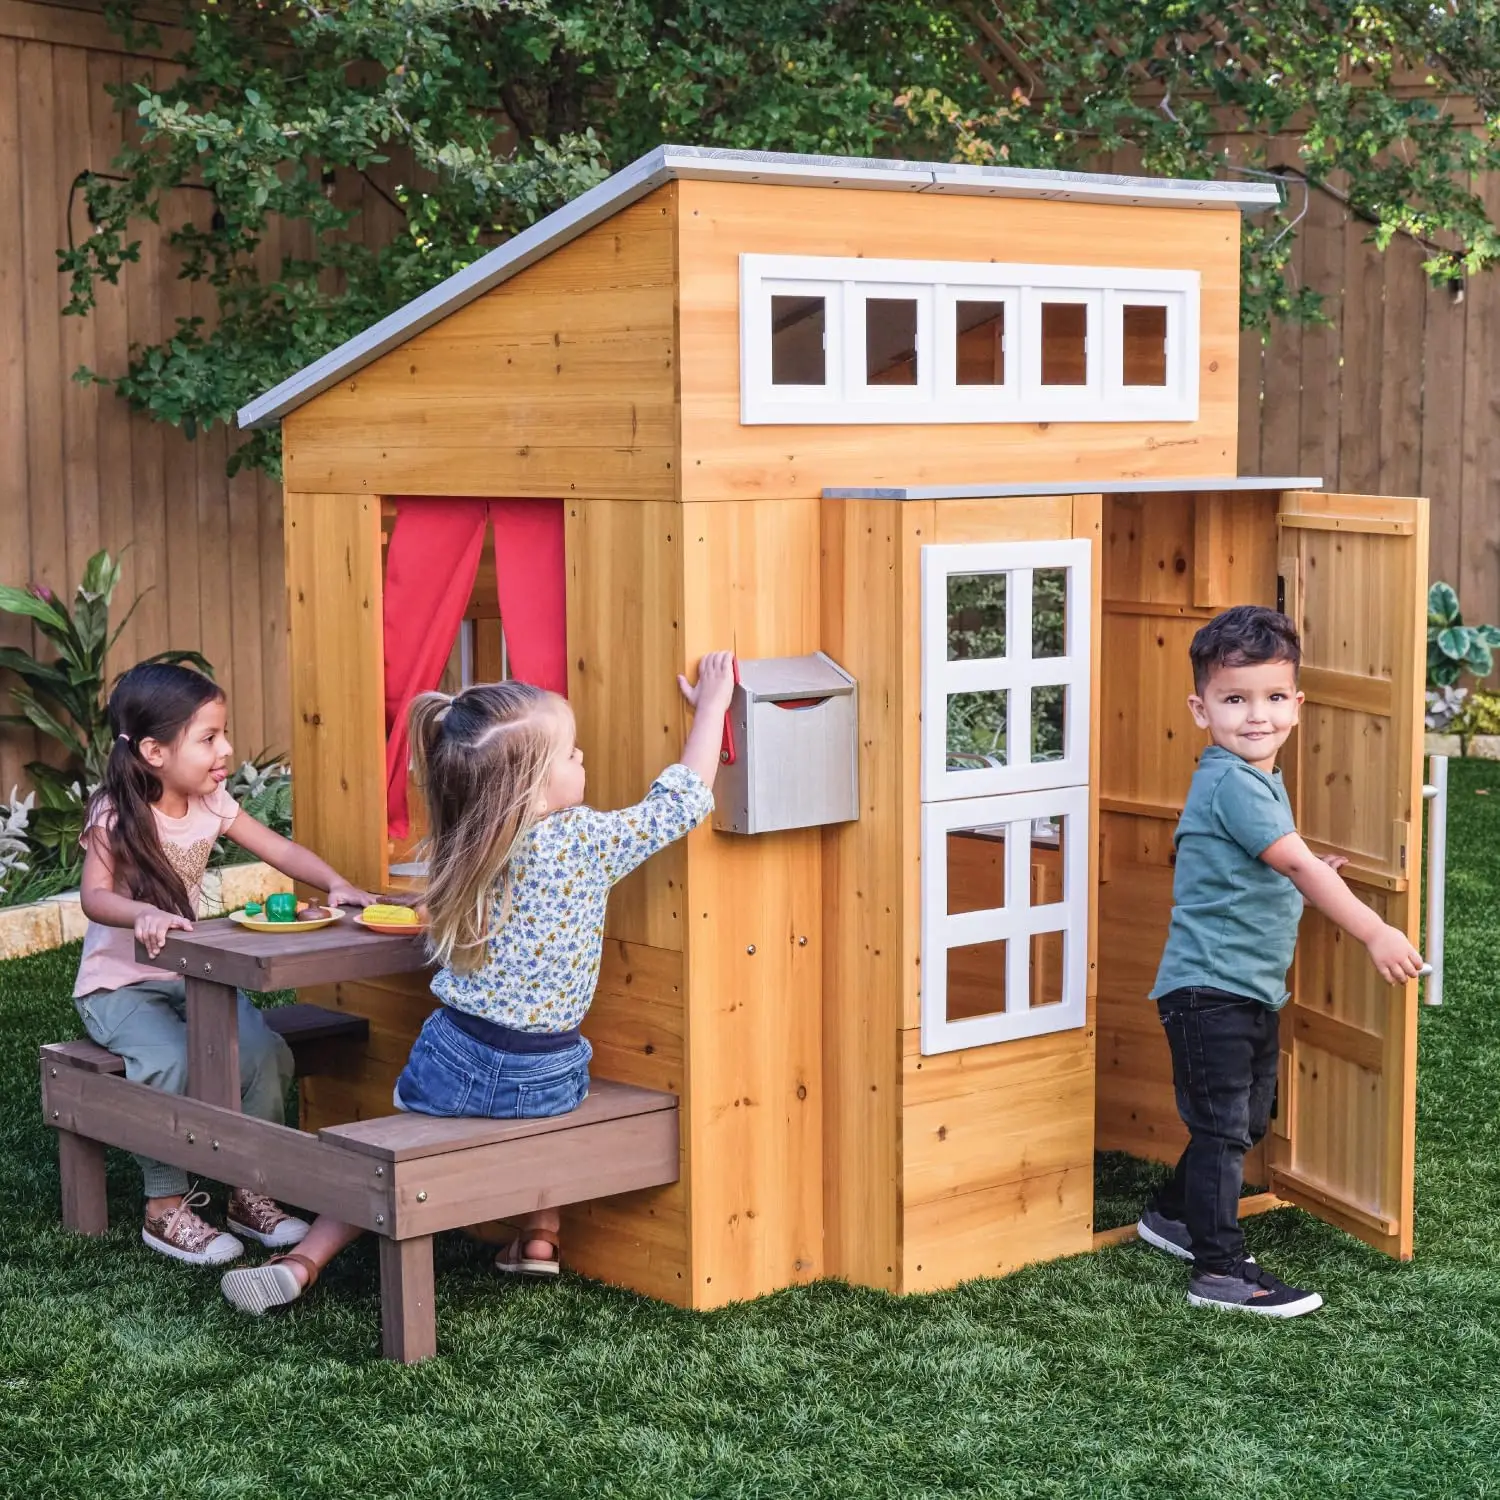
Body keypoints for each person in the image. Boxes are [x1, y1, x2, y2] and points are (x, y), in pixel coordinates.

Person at [220, 652, 736, 1314]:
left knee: (393, 1155)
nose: (584, 761)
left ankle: (300, 1264)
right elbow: (683, 800)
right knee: (538, 1122)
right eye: (571, 755)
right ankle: (540, 1237)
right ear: (534, 785)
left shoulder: (471, 845)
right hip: (550, 1074)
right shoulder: (584, 841)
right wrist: (714, 707)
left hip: (456, 1058)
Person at [1134, 606, 1423, 1316]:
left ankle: (1172, 1216)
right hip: (1209, 992)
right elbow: (1293, 865)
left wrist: (1294, 870)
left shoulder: (1258, 778)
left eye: (1271, 697)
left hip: (1246, 990)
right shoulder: (1233, 780)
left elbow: (1267, 867)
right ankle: (1221, 1271)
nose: (1254, 715)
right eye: (1234, 699)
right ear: (1200, 709)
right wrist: (1374, 932)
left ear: (1296, 703)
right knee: (1224, 1127)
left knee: (1248, 1117)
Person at [75, 662, 377, 1266]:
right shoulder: (117, 810)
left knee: (262, 1052)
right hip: (118, 986)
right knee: (169, 1060)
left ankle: (249, 1186)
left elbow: (280, 848)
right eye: (209, 737)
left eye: (224, 733)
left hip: (190, 975)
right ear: (155, 750)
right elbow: (94, 896)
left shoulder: (211, 799)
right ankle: (165, 1208)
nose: (227, 749)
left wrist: (336, 882)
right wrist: (139, 914)